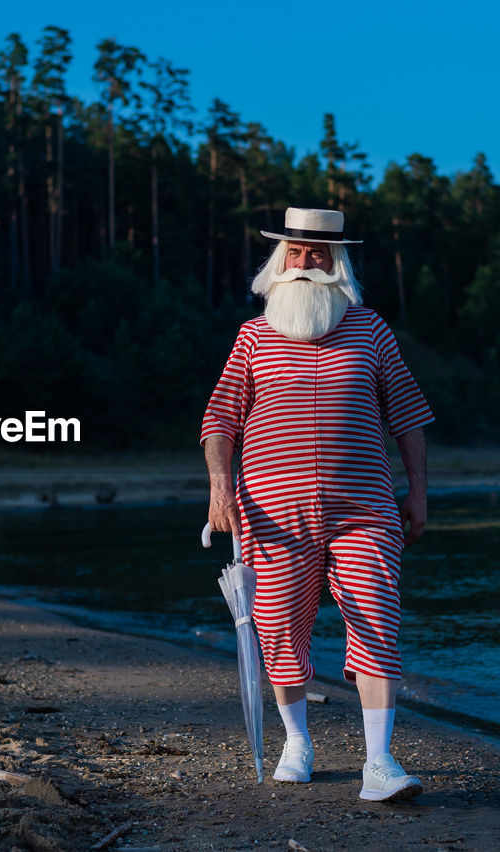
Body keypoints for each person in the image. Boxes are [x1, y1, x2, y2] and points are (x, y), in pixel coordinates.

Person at [201, 207, 434, 801]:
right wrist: (219, 491)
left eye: (319, 255)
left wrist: (418, 493)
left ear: (337, 264)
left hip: (365, 510)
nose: (306, 264)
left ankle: (379, 763)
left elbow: (407, 415)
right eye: (296, 254)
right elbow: (221, 418)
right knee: (278, 631)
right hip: (271, 515)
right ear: (280, 263)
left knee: (377, 619)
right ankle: (297, 741)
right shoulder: (253, 336)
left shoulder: (371, 330)